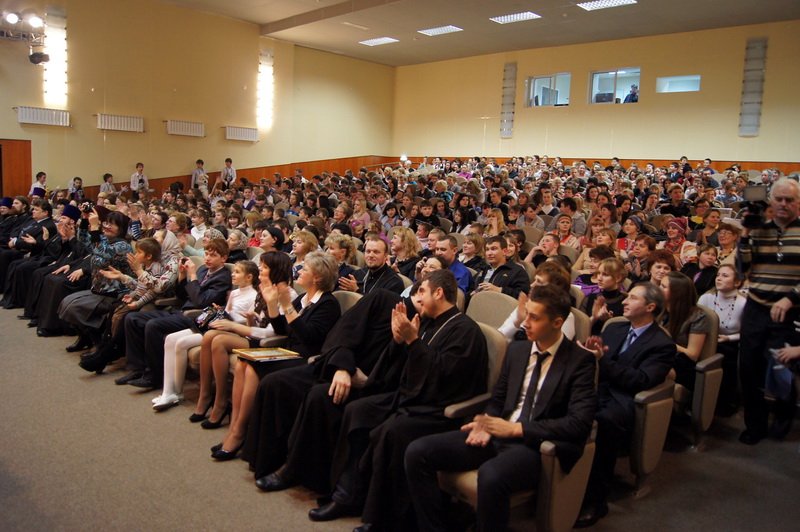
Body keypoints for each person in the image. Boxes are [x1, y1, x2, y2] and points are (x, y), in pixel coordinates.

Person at [306, 270, 488, 531]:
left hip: (438, 410)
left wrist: (412, 340)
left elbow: (442, 376)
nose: (417, 297)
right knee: (358, 410)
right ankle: (347, 495)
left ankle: (382, 519)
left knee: (393, 431)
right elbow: (403, 367)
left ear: (439, 293)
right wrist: (398, 341)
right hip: (409, 397)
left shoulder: (466, 331)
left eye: (422, 291)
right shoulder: (427, 322)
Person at [405, 284, 596, 532]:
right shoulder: (518, 350)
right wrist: (486, 421)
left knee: (491, 475)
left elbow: (579, 423)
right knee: (417, 452)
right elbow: (498, 399)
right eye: (526, 314)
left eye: (534, 317)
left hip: (535, 445)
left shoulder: (579, 361)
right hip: (499, 433)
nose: (525, 322)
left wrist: (517, 429)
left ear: (557, 322)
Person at [574, 283, 675, 528]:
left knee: (604, 422)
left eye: (632, 298)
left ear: (650, 307)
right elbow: (598, 359)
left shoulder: (662, 344)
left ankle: (596, 501)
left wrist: (602, 361)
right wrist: (590, 352)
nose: (625, 302)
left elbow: (641, 380)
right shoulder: (615, 328)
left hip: (625, 399)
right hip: (597, 388)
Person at [118, 238, 232, 389]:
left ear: (223, 258)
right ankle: (137, 369)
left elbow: (200, 301)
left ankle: (155, 376)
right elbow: (182, 296)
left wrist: (192, 276)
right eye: (206, 254)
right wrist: (182, 277)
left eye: (213, 255)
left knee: (153, 325)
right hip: (181, 310)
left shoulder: (223, 277)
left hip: (195, 317)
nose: (207, 258)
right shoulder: (203, 270)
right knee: (132, 318)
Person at [737, 178, 800, 444]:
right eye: (779, 199)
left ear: (798, 203)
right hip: (756, 307)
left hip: (789, 311)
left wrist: (790, 298)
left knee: (781, 368)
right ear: (770, 200)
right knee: (749, 368)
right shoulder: (759, 229)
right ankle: (755, 424)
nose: (783, 204)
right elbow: (743, 268)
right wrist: (745, 233)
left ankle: (783, 418)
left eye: (789, 200)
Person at [150, 260, 259, 412]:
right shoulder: (234, 293)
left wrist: (229, 319)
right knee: (170, 339)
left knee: (181, 343)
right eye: (234, 271)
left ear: (249, 277)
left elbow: (247, 322)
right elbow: (227, 312)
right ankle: (168, 391)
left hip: (229, 331)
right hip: (215, 324)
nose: (233, 274)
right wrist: (220, 310)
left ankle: (177, 392)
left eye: (238, 272)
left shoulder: (254, 295)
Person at [698, 264, 746, 416]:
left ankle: (724, 403)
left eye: (725, 276)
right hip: (705, 341)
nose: (719, 278)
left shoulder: (743, 303)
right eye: (718, 275)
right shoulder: (706, 297)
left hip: (730, 344)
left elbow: (748, 333)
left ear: (737, 282)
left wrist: (729, 338)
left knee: (726, 360)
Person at [659, 272, 711, 391]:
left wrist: (665, 342)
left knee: (651, 366)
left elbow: (692, 355)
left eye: (663, 286)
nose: (658, 289)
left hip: (682, 364)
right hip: (661, 355)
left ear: (676, 293)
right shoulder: (659, 309)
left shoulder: (697, 316)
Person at [338, 235, 405, 295]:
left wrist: (357, 291)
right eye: (368, 251)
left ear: (385, 256)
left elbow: (379, 304)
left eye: (376, 252)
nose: (371, 255)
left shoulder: (394, 282)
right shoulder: (357, 274)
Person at [582, 257, 627, 335]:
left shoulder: (625, 302)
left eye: (605, 275)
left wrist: (609, 321)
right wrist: (594, 318)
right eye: (599, 273)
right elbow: (581, 330)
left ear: (618, 278)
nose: (599, 278)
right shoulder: (592, 297)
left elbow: (623, 335)